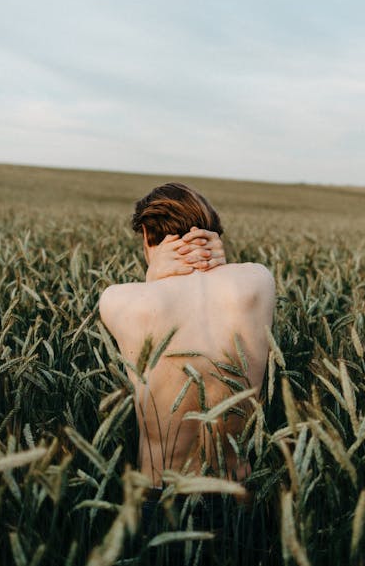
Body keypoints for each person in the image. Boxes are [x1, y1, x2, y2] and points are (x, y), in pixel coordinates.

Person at [99, 183, 275, 555]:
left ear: (147, 234)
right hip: (238, 496)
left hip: (163, 499)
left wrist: (154, 276)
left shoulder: (120, 300)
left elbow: (154, 302)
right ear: (213, 234)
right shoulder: (258, 281)